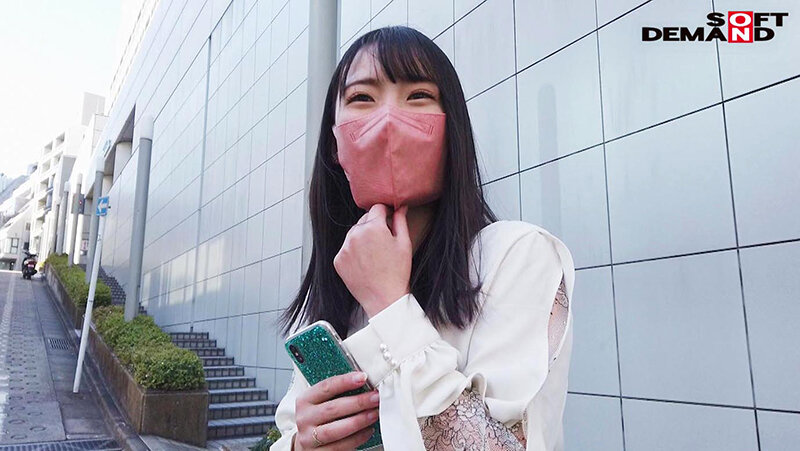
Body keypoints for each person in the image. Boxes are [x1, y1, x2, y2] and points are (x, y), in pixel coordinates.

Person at [270, 25, 575, 451]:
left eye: (418, 96)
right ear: (335, 144)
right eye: (362, 98)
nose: (388, 121)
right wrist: (303, 445)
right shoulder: (338, 296)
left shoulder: (519, 255)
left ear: (452, 131)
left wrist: (390, 306)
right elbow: (290, 430)